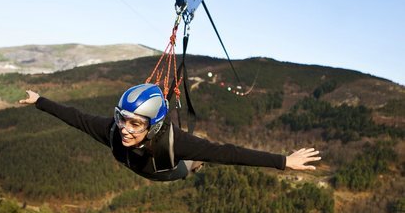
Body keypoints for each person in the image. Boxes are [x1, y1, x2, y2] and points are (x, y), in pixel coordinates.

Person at [19, 83, 321, 181]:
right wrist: (39, 102)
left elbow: (229, 153)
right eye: (122, 118)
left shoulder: (175, 143)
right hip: (146, 164)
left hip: (169, 168)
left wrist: (284, 161)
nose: (125, 128)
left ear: (154, 126)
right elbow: (77, 117)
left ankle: (195, 163)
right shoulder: (112, 131)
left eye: (135, 123)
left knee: (196, 159)